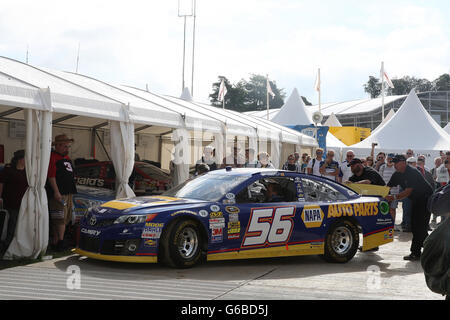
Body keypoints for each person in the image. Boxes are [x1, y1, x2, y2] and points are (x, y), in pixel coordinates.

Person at [385, 155, 433, 261]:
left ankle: (417, 252)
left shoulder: (412, 172)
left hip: (426, 199)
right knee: (417, 226)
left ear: (403, 162)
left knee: (418, 226)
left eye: (396, 163)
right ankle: (433, 249)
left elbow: (407, 192)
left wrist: (393, 197)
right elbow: (387, 187)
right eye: (393, 163)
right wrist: (381, 196)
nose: (394, 165)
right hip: (416, 200)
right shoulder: (397, 174)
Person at [46, 134, 78, 252]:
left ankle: (57, 240)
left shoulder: (67, 158)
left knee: (66, 217)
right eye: (65, 146)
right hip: (60, 193)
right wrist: (56, 191)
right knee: (59, 216)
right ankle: (60, 240)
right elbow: (51, 176)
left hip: (68, 192)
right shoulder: (52, 157)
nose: (67, 148)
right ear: (58, 146)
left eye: (68, 146)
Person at [0, 150, 28, 256]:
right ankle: (6, 246)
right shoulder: (8, 170)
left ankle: (13, 246)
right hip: (10, 202)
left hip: (23, 204)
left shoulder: (27, 172)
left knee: (18, 225)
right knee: (11, 225)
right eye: (25, 158)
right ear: (20, 159)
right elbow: (1, 184)